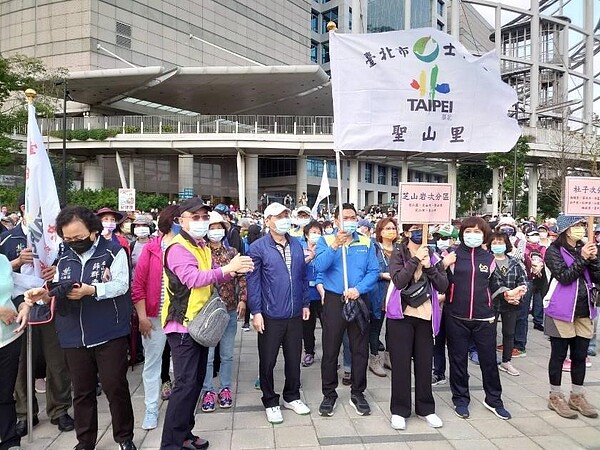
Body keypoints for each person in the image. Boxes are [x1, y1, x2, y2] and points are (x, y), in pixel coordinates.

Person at [23, 206, 136, 450]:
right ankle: (85, 441)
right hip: (73, 333)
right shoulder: (63, 256)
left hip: (109, 331)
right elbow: (57, 289)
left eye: (79, 237)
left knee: (114, 386)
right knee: (82, 391)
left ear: (93, 231)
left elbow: (121, 285)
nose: (74, 242)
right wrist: (43, 295)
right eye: (69, 238)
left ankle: (124, 437)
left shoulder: (114, 251)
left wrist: (92, 290)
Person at [160, 198, 253, 450]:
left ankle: (185, 434)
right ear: (181, 220)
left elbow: (214, 271)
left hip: (199, 324)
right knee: (184, 386)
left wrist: (235, 268)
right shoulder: (178, 247)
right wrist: (227, 269)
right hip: (182, 327)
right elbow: (193, 278)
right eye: (196, 217)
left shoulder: (199, 245)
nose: (202, 222)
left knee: (194, 383)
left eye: (204, 217)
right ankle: (170, 444)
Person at [0, 195, 73, 437]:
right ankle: (24, 413)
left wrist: (57, 271)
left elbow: (71, 265)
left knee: (57, 360)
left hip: (49, 303)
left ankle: (59, 409)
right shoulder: (7, 238)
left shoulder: (57, 238)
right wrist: (17, 261)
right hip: (16, 309)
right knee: (20, 364)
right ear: (23, 209)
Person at [313, 203, 379, 417]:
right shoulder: (326, 240)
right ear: (336, 221)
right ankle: (329, 394)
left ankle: (358, 392)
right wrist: (335, 246)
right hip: (334, 299)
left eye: (353, 217)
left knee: (360, 348)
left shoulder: (367, 242)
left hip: (358, 299)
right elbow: (319, 266)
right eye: (345, 217)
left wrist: (358, 289)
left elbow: (374, 271)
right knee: (330, 349)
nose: (350, 221)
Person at [247, 202, 310, 424]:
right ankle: (270, 400)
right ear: (267, 221)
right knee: (268, 360)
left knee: (294, 358)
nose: (283, 219)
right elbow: (253, 283)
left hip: (294, 312)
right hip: (270, 313)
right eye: (278, 216)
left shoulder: (296, 245)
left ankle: (291, 396)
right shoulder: (258, 248)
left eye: (285, 215)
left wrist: (304, 303)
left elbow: (302, 277)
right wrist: (256, 311)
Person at [445, 216, 511, 420]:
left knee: (489, 360)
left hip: (485, 318)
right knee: (457, 360)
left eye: (477, 232)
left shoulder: (489, 258)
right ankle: (461, 399)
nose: (472, 235)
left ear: (484, 235)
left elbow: (495, 285)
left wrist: (509, 292)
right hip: (456, 316)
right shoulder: (452, 255)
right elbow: (439, 282)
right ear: (461, 233)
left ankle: (493, 399)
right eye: (468, 231)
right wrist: (442, 265)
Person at [387, 223, 448, 430]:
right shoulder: (398, 254)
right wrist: (414, 260)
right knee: (401, 364)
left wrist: (429, 265)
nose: (420, 232)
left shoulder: (434, 255)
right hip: (401, 316)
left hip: (426, 316)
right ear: (406, 232)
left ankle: (426, 409)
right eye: (415, 228)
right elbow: (399, 281)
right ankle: (399, 410)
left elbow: (443, 285)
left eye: (423, 228)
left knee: (424, 363)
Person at [544, 215, 600, 419]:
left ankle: (576, 395)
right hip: (561, 310)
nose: (581, 229)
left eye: (583, 225)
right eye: (577, 226)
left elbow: (597, 277)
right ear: (566, 229)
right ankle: (555, 396)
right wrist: (583, 258)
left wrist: (593, 260)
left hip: (585, 310)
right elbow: (565, 277)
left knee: (580, 355)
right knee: (558, 355)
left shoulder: (585, 247)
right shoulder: (553, 251)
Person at [131, 205, 179, 430]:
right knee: (152, 363)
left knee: (182, 364)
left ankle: (181, 407)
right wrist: (142, 318)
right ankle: (151, 407)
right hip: (154, 317)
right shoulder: (150, 250)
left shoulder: (191, 248)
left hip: (181, 318)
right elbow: (138, 287)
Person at [200, 211, 247, 413]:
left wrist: (243, 300)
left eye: (219, 227)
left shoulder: (232, 252)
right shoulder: (201, 253)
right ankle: (207, 390)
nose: (216, 231)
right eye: (212, 228)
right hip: (207, 311)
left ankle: (225, 388)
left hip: (229, 308)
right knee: (208, 356)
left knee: (227, 354)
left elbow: (242, 277)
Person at [0, 253, 30, 450]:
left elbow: (13, 293)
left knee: (4, 393)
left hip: (8, 337)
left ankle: (10, 440)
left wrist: (23, 305)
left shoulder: (2, 260)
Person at [488, 231, 528, 377]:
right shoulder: (487, 262)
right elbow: (490, 282)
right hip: (492, 303)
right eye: (494, 242)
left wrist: (518, 293)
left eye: (501, 242)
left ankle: (506, 361)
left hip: (512, 303)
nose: (498, 245)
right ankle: (490, 360)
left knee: (509, 333)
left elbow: (523, 280)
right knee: (489, 333)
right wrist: (506, 293)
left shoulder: (515, 262)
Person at [367, 217, 398, 377]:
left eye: (393, 228)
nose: (391, 231)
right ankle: (374, 359)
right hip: (377, 294)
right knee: (375, 328)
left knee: (393, 329)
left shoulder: (399, 249)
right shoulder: (373, 248)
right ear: (380, 231)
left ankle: (389, 357)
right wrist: (382, 274)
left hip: (396, 295)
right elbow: (368, 270)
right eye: (387, 228)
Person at [431, 223, 458, 386]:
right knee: (438, 340)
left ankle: (459, 375)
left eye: (446, 238)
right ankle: (438, 372)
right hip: (436, 304)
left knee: (456, 343)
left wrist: (446, 295)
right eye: (439, 237)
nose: (441, 241)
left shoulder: (460, 256)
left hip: (453, 304)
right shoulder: (433, 254)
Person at [300, 220, 324, 367]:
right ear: (306, 235)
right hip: (306, 293)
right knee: (307, 326)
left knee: (328, 325)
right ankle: (309, 352)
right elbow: (296, 267)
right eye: (313, 233)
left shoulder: (325, 247)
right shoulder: (299, 247)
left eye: (319, 233)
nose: (316, 235)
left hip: (322, 292)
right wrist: (310, 256)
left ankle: (330, 355)